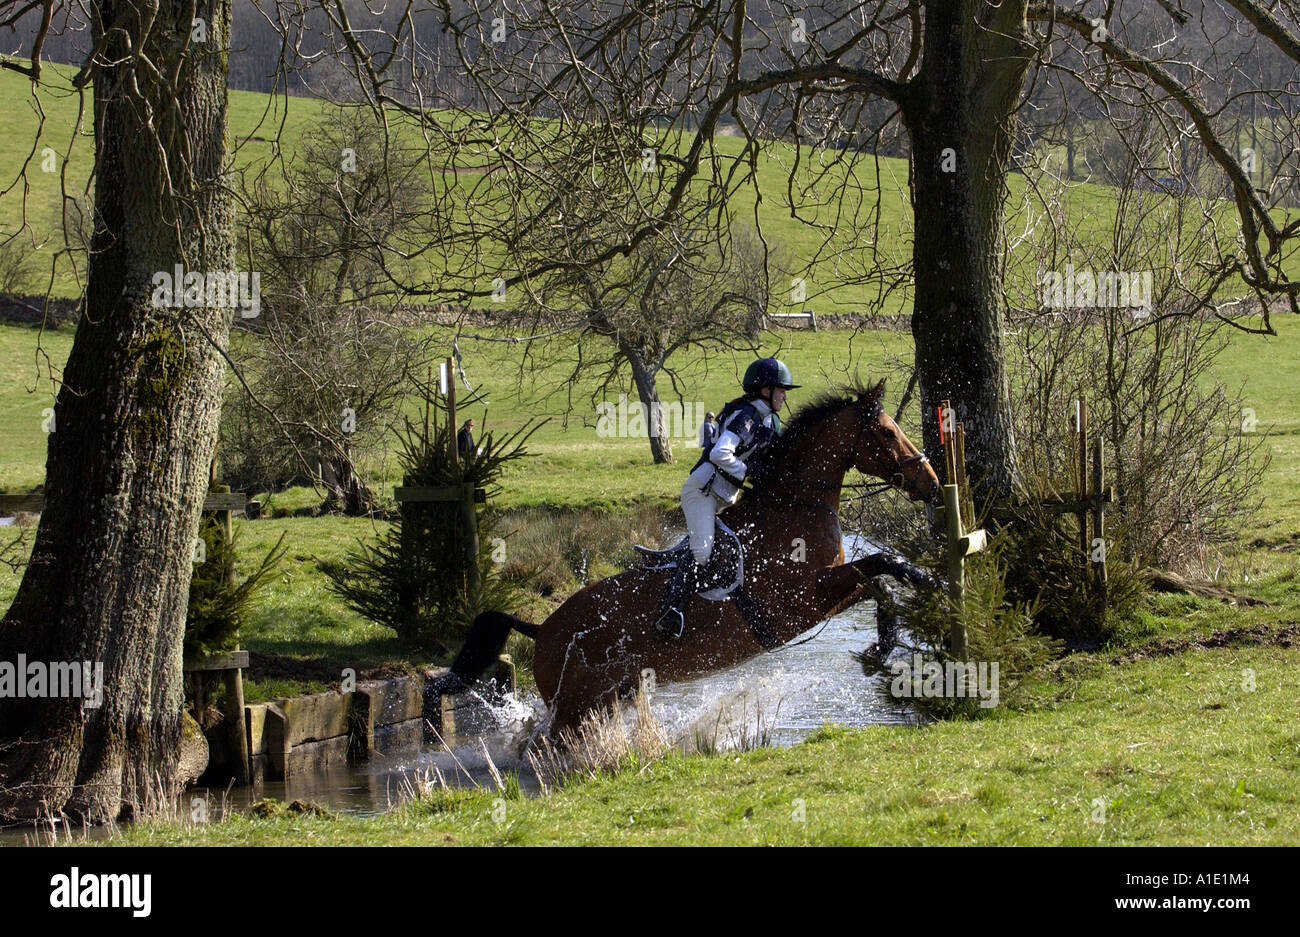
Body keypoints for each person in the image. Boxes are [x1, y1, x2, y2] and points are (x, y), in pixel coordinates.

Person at [654, 357, 798, 639]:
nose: (784, 395)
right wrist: (747, 471)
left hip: (724, 498)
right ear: (764, 391)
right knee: (703, 553)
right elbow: (720, 454)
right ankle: (671, 612)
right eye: (781, 389)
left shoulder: (770, 422)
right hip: (702, 493)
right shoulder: (747, 415)